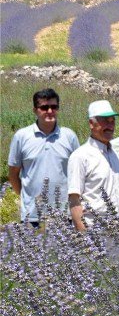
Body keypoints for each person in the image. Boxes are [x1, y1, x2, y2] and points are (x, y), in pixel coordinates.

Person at [6, 88, 80, 226]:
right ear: (35, 110)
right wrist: (26, 197)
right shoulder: (21, 137)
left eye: (54, 107)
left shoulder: (69, 136)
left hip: (65, 215)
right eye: (44, 107)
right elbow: (13, 174)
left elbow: (79, 172)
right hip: (32, 217)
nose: (50, 111)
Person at [67, 101, 119, 231]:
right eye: (105, 121)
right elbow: (74, 200)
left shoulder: (114, 154)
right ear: (91, 124)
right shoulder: (80, 156)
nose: (110, 126)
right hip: (94, 232)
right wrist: (85, 239)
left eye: (112, 121)